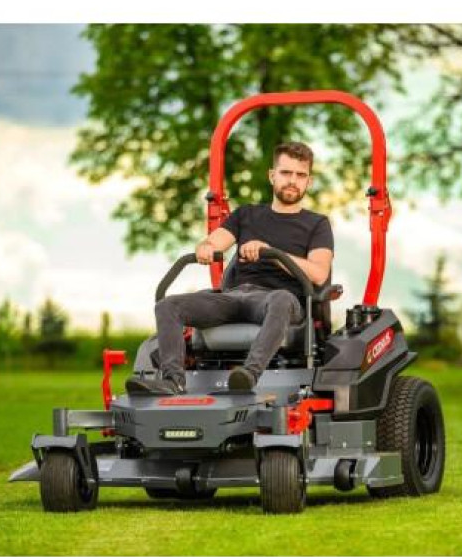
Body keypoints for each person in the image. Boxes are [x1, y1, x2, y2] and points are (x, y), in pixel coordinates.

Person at [127, 141, 334, 395]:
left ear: (309, 181)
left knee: (281, 299)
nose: (293, 181)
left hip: (276, 301)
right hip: (234, 297)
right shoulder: (246, 215)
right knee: (167, 305)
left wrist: (272, 253)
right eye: (286, 173)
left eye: (300, 175)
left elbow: (319, 273)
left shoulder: (317, 224)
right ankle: (173, 381)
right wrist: (205, 247)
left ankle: (248, 374)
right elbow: (215, 242)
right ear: (272, 176)